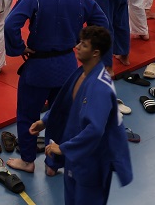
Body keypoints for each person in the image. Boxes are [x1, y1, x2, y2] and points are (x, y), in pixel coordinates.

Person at [4, 0, 107, 174]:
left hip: (38, 69)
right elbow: (101, 21)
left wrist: (19, 47)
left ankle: (28, 161)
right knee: (62, 116)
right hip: (68, 67)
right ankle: (54, 164)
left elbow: (11, 24)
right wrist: (83, 43)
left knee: (28, 115)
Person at [30, 25, 133, 205]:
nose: (77, 46)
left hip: (92, 162)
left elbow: (95, 130)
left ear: (95, 53)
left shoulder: (100, 87)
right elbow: (66, 103)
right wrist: (45, 121)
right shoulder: (82, 73)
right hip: (76, 156)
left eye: (84, 45)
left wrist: (64, 148)